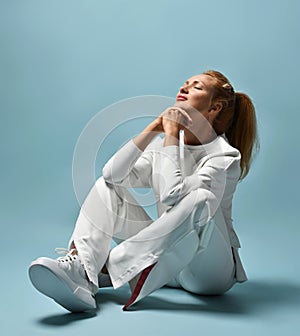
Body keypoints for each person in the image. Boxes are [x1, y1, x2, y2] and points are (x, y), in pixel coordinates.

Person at [29, 70, 259, 313]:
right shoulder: (167, 147)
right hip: (168, 264)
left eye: (197, 87)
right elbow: (112, 175)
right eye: (185, 83)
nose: (184, 88)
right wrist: (154, 128)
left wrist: (171, 134)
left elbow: (173, 196)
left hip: (207, 274)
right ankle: (82, 271)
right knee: (106, 187)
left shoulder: (225, 157)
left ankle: (104, 269)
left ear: (215, 108)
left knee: (202, 198)